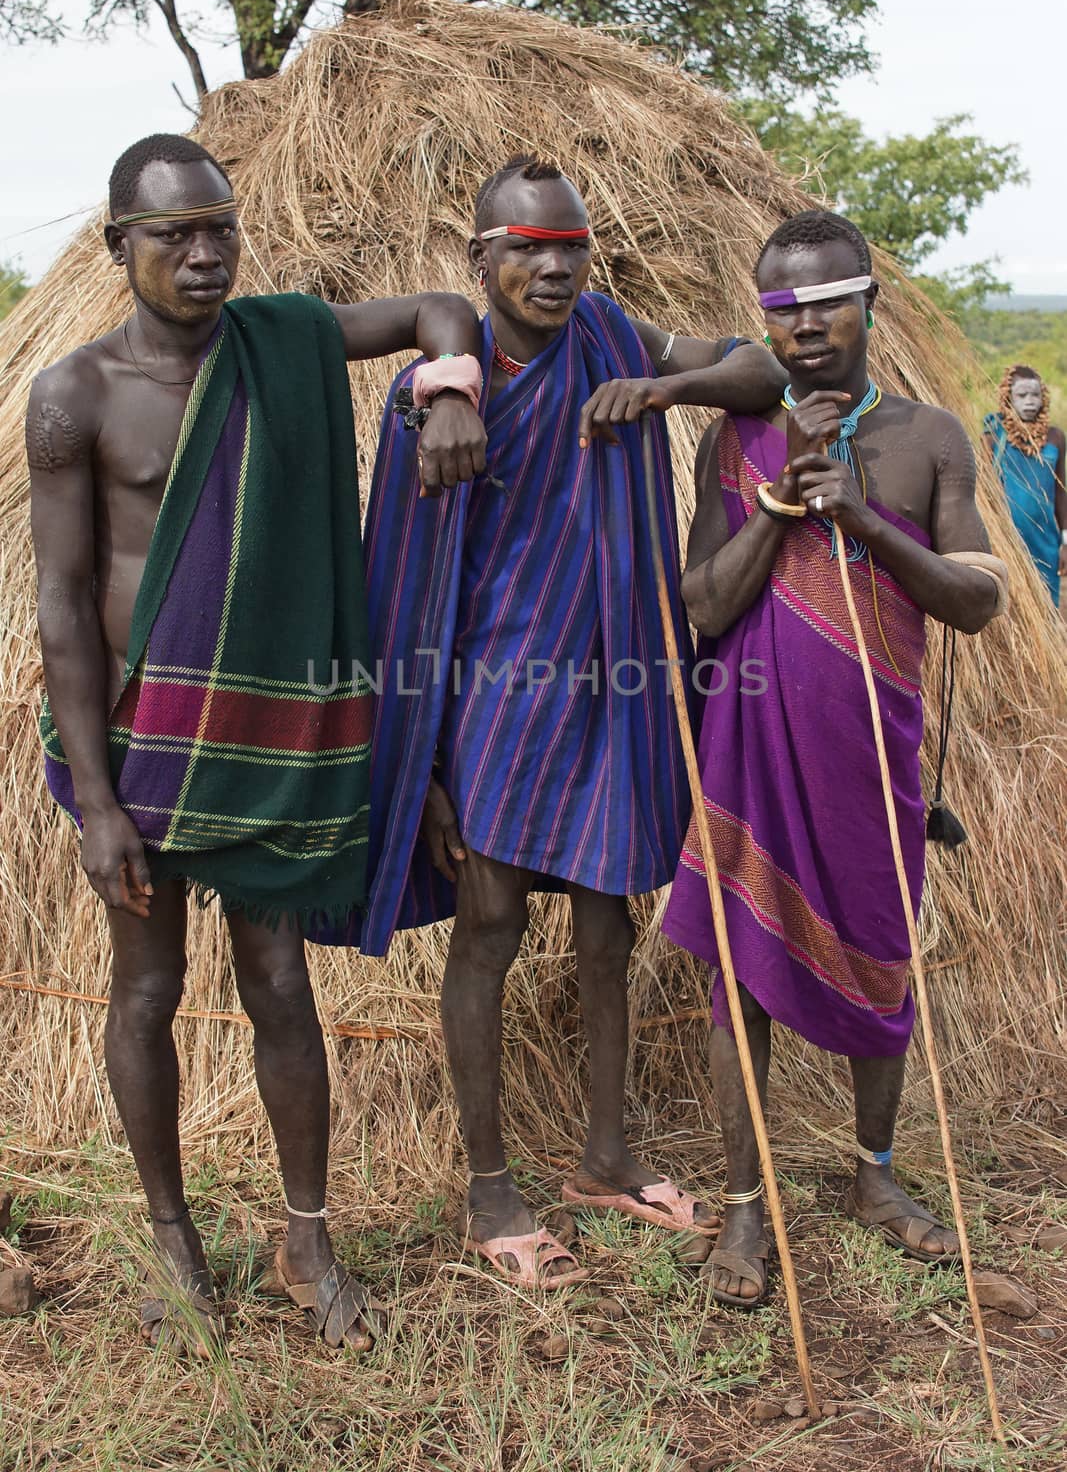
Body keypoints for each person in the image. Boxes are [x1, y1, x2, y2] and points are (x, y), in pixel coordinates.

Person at [27, 133, 486, 1354]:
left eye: (219, 227)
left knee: (280, 981)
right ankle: (175, 1241)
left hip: (265, 740)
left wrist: (448, 389)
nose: (204, 252)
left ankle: (306, 1237)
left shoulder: (280, 341)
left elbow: (444, 307)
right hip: (135, 748)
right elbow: (66, 605)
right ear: (119, 244)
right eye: (174, 233)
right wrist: (100, 798)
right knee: (147, 986)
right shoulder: (75, 396)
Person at [350, 154, 785, 1290]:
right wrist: (423, 763)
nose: (551, 268)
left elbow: (758, 372)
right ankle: (489, 1184)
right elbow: (398, 584)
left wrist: (662, 389)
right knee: (488, 925)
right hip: (491, 696)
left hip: (611, 685)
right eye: (526, 249)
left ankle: (606, 1154)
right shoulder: (439, 394)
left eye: (570, 247)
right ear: (481, 257)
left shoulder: (613, 335)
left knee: (608, 926)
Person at [663, 210, 1008, 1309]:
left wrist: (859, 515)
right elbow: (703, 604)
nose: (802, 323)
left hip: (870, 750)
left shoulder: (928, 438)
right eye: (777, 306)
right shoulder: (733, 438)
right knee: (737, 973)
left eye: (822, 299)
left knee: (878, 950)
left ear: (867, 301)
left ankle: (872, 1174)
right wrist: (775, 503)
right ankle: (740, 1208)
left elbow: (977, 600)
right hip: (751, 743)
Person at [983, 365, 1066, 607]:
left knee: (1046, 607)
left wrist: (1065, 543)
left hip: (1046, 542)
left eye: (1035, 395)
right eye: (1022, 395)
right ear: (1008, 399)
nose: (1030, 401)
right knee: (1012, 609)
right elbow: (986, 496)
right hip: (1008, 542)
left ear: (1044, 397)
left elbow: (1061, 493)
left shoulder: (1055, 439)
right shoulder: (994, 437)